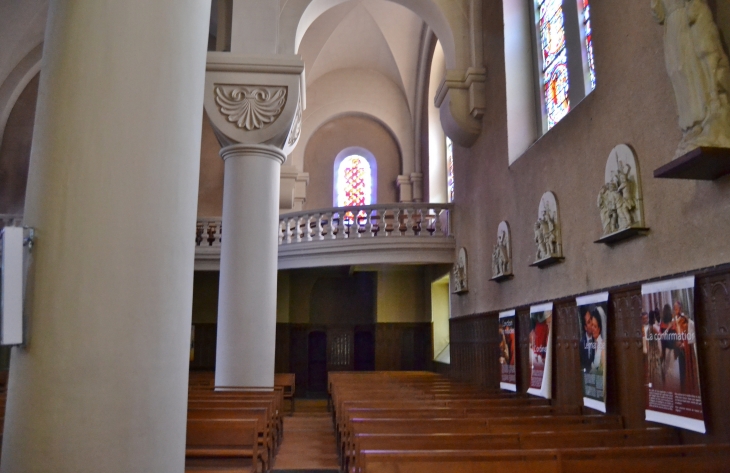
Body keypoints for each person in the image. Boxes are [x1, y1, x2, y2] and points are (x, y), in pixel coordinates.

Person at [674, 300, 700, 395]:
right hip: (679, 348)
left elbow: (692, 335)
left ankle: (691, 387)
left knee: (688, 367)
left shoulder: (687, 320)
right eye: (675, 308)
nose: (676, 310)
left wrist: (685, 344)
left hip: (686, 348)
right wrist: (677, 342)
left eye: (677, 308)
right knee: (682, 369)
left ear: (681, 308)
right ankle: (684, 388)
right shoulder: (675, 321)